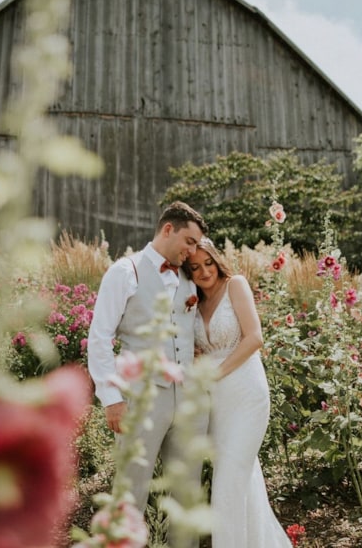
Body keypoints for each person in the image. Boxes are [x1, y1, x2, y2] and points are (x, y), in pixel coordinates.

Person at [86, 201, 210, 539]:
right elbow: (99, 338)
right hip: (141, 399)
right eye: (189, 241)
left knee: (186, 492)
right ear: (167, 229)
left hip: (187, 401)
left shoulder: (189, 276)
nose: (193, 250)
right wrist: (111, 398)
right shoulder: (125, 272)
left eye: (197, 245)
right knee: (132, 491)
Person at [184, 237, 293, 548]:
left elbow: (254, 338)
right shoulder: (194, 303)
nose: (204, 271)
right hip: (217, 402)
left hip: (246, 391)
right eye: (195, 267)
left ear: (217, 260)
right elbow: (198, 350)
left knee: (227, 483)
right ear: (189, 272)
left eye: (208, 263)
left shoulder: (236, 285)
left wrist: (215, 373)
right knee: (246, 481)